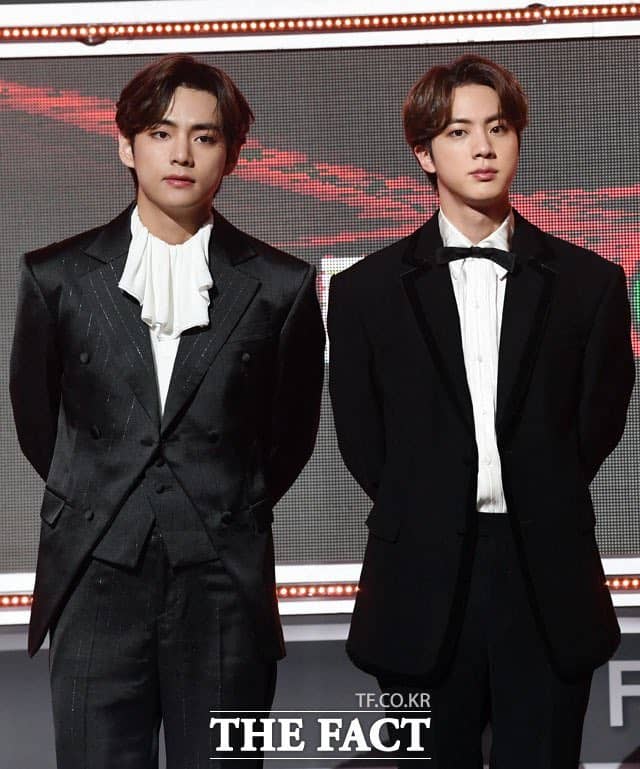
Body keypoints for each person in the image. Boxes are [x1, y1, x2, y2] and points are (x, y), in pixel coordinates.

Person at [10, 54, 325, 769]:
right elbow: (39, 422)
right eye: (160, 132)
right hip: (94, 572)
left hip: (223, 581)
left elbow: (290, 435)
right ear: (126, 145)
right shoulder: (56, 276)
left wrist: (222, 500)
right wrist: (102, 488)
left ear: (232, 155)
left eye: (204, 136)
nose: (181, 153)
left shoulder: (281, 285)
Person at [328, 54, 634, 768]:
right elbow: (363, 438)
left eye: (498, 128)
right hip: (421, 578)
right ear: (424, 152)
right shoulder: (366, 290)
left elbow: (597, 422)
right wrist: (429, 500)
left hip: (547, 577)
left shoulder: (590, 283)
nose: (484, 148)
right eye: (459, 132)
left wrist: (539, 487)